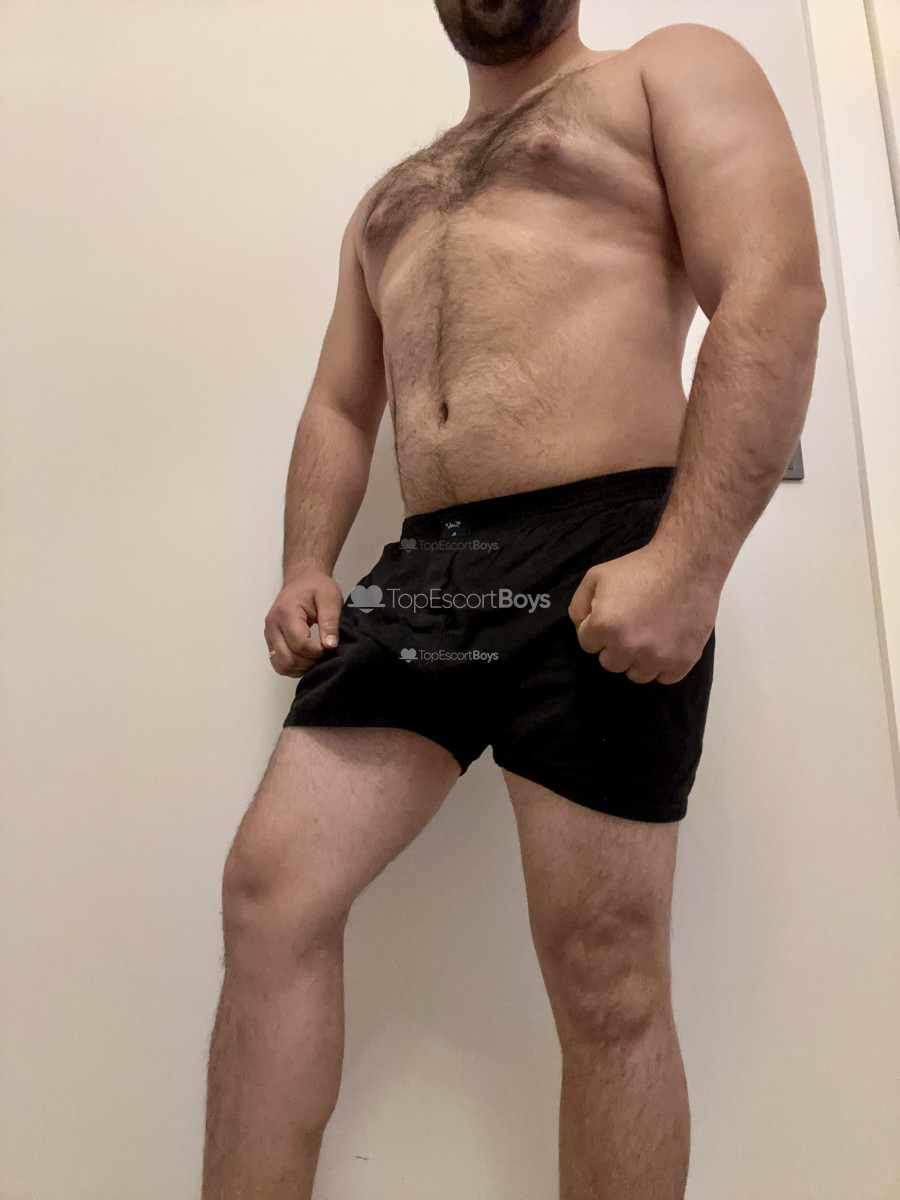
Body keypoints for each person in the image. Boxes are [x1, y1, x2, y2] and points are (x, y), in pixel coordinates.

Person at [201, 3, 826, 1197]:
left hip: (607, 545)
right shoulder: (390, 199)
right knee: (270, 893)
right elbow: (341, 406)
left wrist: (689, 565)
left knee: (607, 972)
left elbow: (773, 292)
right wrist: (304, 562)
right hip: (428, 571)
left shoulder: (666, 72)